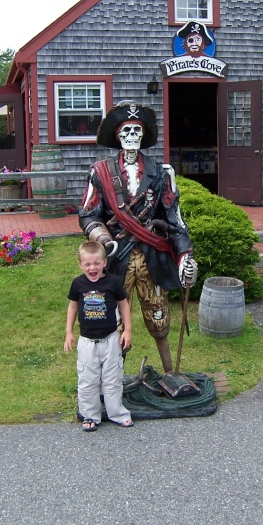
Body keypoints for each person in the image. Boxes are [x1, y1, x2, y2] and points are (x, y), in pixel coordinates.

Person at [79, 101, 198, 374]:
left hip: (152, 258)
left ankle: (171, 375)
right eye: (126, 131)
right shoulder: (99, 172)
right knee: (115, 323)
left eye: (136, 131)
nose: (131, 137)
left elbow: (174, 220)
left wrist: (185, 256)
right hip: (115, 259)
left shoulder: (161, 173)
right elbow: (88, 214)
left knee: (159, 319)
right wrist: (102, 237)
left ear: (143, 136)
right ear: (117, 136)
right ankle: (113, 381)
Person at [64, 240, 133, 432]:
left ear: (104, 263)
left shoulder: (113, 282)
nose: (92, 267)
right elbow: (73, 306)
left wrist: (127, 330)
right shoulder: (77, 283)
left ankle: (117, 413)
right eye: (87, 264)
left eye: (96, 263)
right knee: (88, 380)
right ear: (80, 264)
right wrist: (69, 332)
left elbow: (124, 304)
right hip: (86, 342)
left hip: (111, 340)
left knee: (112, 379)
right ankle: (90, 415)